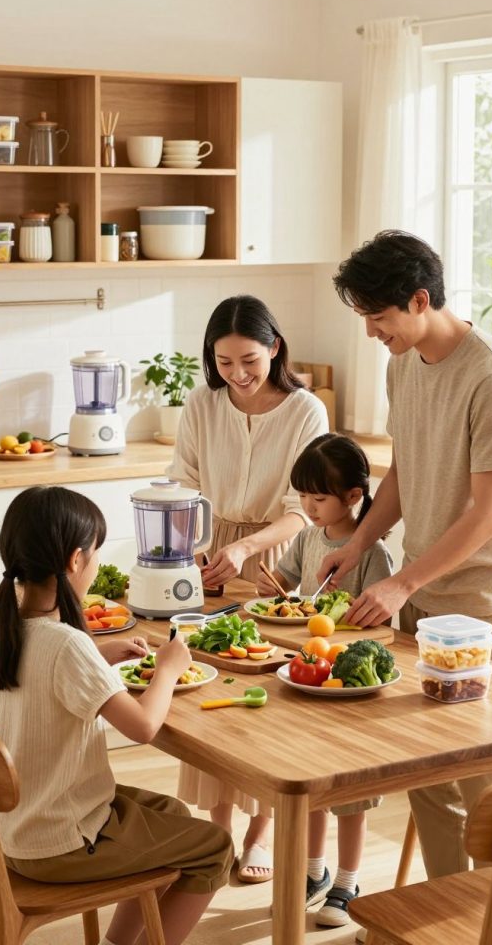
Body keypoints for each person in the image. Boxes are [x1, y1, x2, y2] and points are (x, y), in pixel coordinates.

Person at [317, 229, 492, 880]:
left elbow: (488, 512)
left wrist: (400, 583)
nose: (369, 333)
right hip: (419, 600)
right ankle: (445, 918)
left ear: (419, 300)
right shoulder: (400, 364)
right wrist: (358, 543)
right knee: (426, 776)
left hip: (479, 607)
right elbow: (406, 472)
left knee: (486, 788)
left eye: (377, 318)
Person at [0, 486, 233, 945]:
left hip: (16, 831)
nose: (95, 563)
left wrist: (98, 656)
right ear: (76, 561)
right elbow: (143, 728)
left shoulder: (7, 627)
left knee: (171, 811)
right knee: (215, 847)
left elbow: (49, 666)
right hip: (60, 844)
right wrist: (169, 671)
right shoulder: (67, 645)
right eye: (94, 553)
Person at [167, 294, 328, 883]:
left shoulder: (305, 410)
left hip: (276, 561)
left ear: (275, 347)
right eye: (225, 361)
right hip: (208, 553)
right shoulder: (201, 403)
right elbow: (182, 479)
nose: (237, 374)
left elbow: (304, 508)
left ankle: (262, 832)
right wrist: (193, 542)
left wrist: (247, 548)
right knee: (210, 686)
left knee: (266, 698)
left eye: (250, 360)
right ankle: (219, 826)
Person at [256, 433, 392, 927]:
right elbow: (288, 584)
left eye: (318, 498)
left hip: (352, 694)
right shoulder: (310, 535)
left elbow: (381, 628)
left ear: (353, 496)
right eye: (303, 497)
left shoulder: (372, 552)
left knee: (351, 795)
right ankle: (314, 872)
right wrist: (269, 586)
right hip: (307, 681)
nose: (308, 508)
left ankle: (347, 883)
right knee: (308, 782)